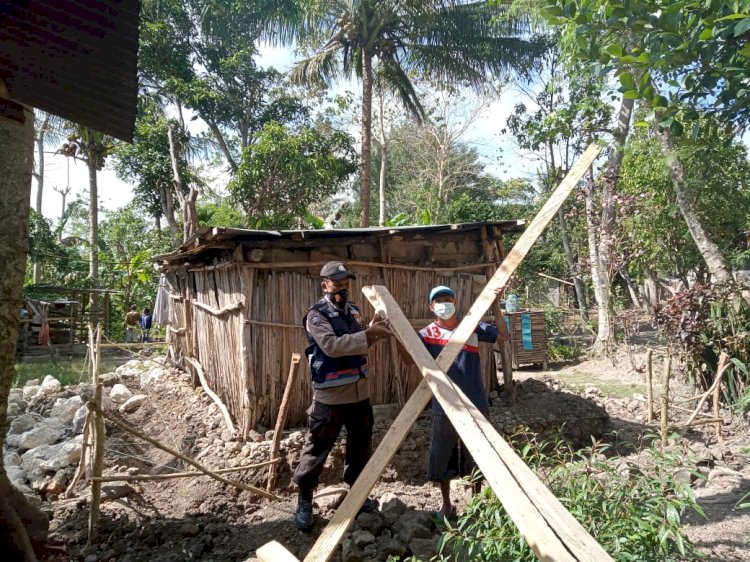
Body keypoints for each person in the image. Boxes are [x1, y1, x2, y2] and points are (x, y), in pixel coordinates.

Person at [293, 260, 392, 532]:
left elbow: (361, 344)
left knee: (360, 447)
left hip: (360, 393)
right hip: (331, 398)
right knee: (317, 450)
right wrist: (367, 335)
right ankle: (304, 499)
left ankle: (357, 495)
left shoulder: (355, 312)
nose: (343, 289)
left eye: (346, 284)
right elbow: (332, 347)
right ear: (324, 285)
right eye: (337, 284)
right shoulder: (316, 316)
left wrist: (372, 332)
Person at [418, 285, 499, 519]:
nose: (444, 303)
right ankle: (446, 504)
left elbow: (502, 335)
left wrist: (496, 306)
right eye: (439, 300)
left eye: (448, 299)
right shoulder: (426, 335)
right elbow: (411, 360)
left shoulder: (471, 327)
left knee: (478, 453)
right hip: (444, 405)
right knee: (443, 454)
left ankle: (477, 503)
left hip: (475, 402)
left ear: (455, 302)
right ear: (431, 307)